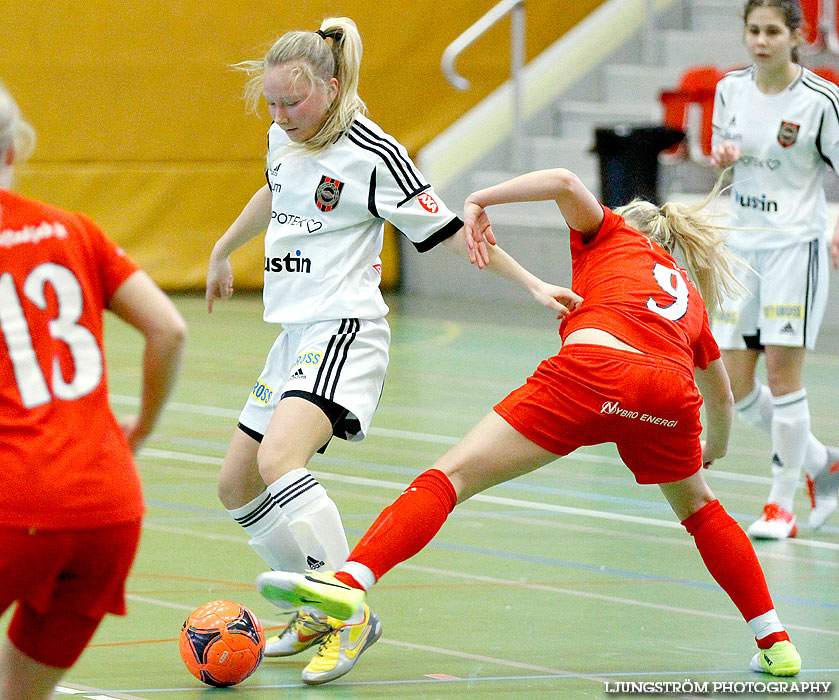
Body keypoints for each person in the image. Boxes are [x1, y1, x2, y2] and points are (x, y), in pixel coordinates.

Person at [255, 167, 803, 679]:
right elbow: (722, 397)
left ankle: (349, 581)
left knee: (453, 477)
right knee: (702, 510)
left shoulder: (610, 235)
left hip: (594, 369)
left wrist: (479, 200)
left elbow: (564, 181)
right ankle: (775, 642)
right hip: (669, 395)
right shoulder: (689, 302)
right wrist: (714, 448)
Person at [204, 17, 577, 686]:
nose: (281, 115)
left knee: (278, 458)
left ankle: (345, 610)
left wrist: (531, 284)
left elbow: (455, 228)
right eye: (272, 103)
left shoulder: (373, 153)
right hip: (292, 335)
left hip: (343, 329)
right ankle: (315, 609)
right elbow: (274, 187)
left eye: (294, 101)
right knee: (237, 484)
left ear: (332, 84)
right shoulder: (280, 139)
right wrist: (222, 247)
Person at [0, 83, 187, 700]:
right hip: (108, 505)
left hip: (13, 499)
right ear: (15, 148)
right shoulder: (75, 230)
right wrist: (141, 430)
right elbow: (168, 328)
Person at [710, 0, 839, 539]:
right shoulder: (729, 90)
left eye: (772, 31)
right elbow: (722, 147)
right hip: (744, 250)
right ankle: (823, 465)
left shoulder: (821, 100)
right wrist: (722, 155)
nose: (761, 41)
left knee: (784, 377)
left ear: (796, 36)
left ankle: (779, 506)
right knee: (734, 387)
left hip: (795, 250)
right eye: (753, 30)